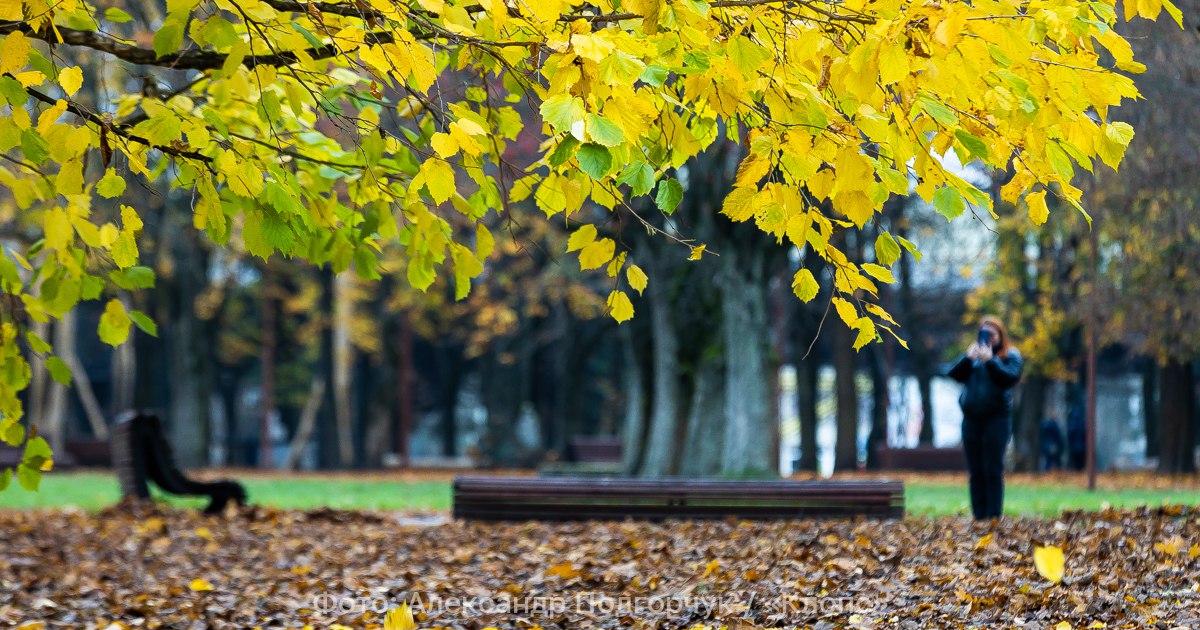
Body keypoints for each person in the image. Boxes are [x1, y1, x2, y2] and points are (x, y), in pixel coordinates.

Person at [948, 317, 1023, 520]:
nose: (988, 338)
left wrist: (991, 361)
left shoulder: (1009, 356)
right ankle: (979, 515)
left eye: (992, 334)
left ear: (1000, 335)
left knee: (992, 468)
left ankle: (993, 516)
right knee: (976, 470)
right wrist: (968, 358)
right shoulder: (973, 360)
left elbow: (1010, 377)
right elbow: (953, 374)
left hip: (996, 420)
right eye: (984, 333)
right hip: (971, 420)